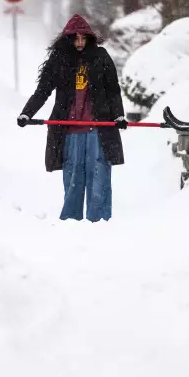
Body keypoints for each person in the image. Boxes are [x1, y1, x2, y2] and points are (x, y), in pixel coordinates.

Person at [17, 14, 128, 222]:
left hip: (98, 127)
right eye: (75, 38)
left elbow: (113, 90)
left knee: (99, 174)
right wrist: (27, 112)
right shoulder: (59, 60)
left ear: (89, 38)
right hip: (69, 129)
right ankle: (71, 221)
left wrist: (119, 115)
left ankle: (99, 221)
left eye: (83, 38)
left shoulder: (101, 57)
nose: (79, 43)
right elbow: (43, 91)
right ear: (67, 39)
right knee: (74, 176)